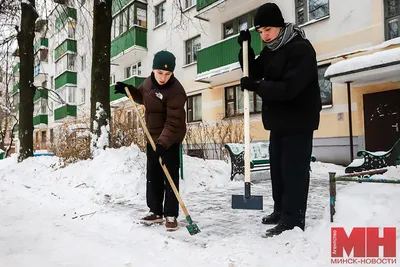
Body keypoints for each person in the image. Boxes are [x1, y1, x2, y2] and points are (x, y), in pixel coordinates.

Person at [237, 3, 322, 237]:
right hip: (279, 121)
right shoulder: (271, 49)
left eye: (267, 30)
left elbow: (290, 88)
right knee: (278, 170)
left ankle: (293, 219)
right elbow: (253, 71)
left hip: (299, 120)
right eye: (260, 32)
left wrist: (258, 86)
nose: (264, 36)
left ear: (280, 26)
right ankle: (281, 210)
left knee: (293, 170)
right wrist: (244, 48)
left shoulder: (300, 49)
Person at [114, 50, 188, 232]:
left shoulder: (176, 91)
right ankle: (156, 210)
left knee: (169, 176)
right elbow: (142, 96)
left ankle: (171, 214)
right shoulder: (148, 83)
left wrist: (163, 143)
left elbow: (173, 122)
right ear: (153, 70)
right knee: (153, 174)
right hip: (152, 137)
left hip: (170, 139)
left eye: (168, 74)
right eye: (159, 73)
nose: (163, 78)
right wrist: (129, 90)